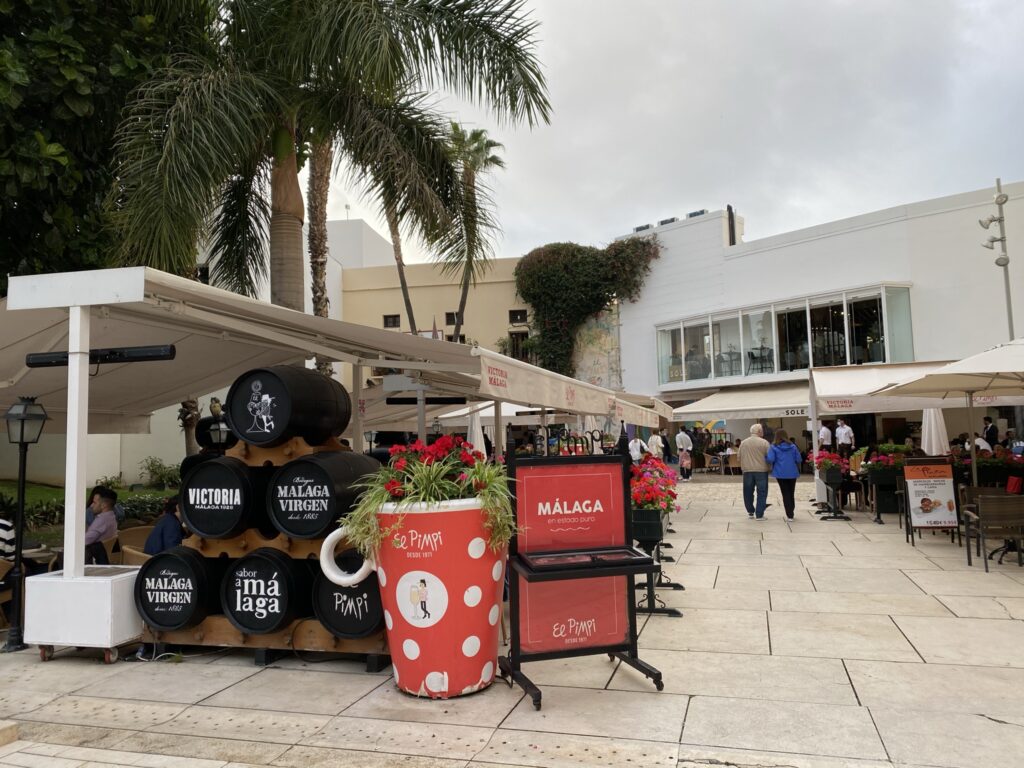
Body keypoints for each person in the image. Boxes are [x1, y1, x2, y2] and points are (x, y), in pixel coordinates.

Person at [767, 429, 802, 521]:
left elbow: (771, 459)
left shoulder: (773, 447)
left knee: (785, 493)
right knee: (791, 492)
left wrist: (765, 457)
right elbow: (799, 459)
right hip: (792, 472)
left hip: (780, 473)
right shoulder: (793, 446)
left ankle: (789, 514)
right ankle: (791, 511)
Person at [739, 424, 771, 520]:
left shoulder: (743, 443)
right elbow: (770, 457)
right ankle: (759, 514)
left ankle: (750, 511)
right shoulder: (764, 442)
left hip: (747, 470)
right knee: (762, 492)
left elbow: (738, 457)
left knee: (748, 491)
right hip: (761, 470)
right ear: (759, 431)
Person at [84, 486, 119, 564]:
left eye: (94, 502)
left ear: (103, 505)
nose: (91, 505)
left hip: (94, 562)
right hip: (105, 556)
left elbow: (83, 542)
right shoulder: (111, 516)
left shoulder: (101, 521)